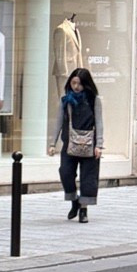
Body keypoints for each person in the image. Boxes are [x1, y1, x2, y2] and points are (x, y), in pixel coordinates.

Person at [50, 66, 102, 222]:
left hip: (89, 144)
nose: (76, 87)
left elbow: (99, 123)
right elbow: (59, 121)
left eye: (79, 83)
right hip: (69, 143)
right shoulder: (66, 100)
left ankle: (83, 210)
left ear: (86, 84)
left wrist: (99, 144)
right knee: (65, 172)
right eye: (73, 83)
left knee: (88, 177)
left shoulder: (94, 100)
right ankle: (74, 201)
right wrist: (53, 143)